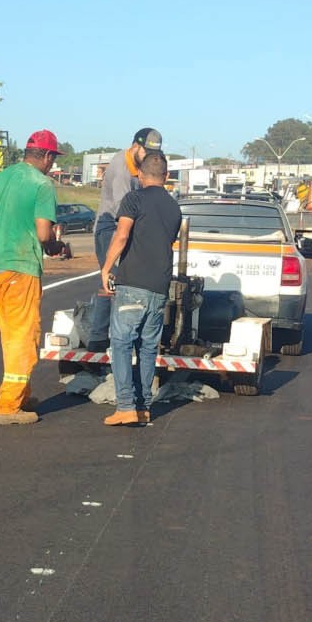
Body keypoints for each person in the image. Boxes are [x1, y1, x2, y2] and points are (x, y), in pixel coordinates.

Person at [0, 130, 61, 425]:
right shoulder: (42, 185)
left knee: (11, 332)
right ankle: (8, 406)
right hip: (20, 266)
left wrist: (1, 234)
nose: (52, 165)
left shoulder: (2, 177)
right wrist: (55, 247)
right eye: (53, 159)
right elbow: (44, 233)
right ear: (46, 157)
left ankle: (21, 394)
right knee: (24, 335)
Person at [98, 150, 181, 427]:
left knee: (121, 344)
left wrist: (107, 266)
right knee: (147, 348)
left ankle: (125, 406)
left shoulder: (133, 199)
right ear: (166, 177)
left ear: (141, 175)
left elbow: (122, 235)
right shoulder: (174, 207)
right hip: (159, 286)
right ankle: (144, 407)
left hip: (133, 283)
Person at [85, 127, 163, 341]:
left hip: (117, 225)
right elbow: (124, 210)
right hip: (110, 227)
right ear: (135, 146)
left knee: (113, 282)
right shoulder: (121, 168)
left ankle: (102, 336)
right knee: (115, 281)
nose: (147, 157)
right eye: (145, 152)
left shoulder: (136, 165)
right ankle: (102, 336)